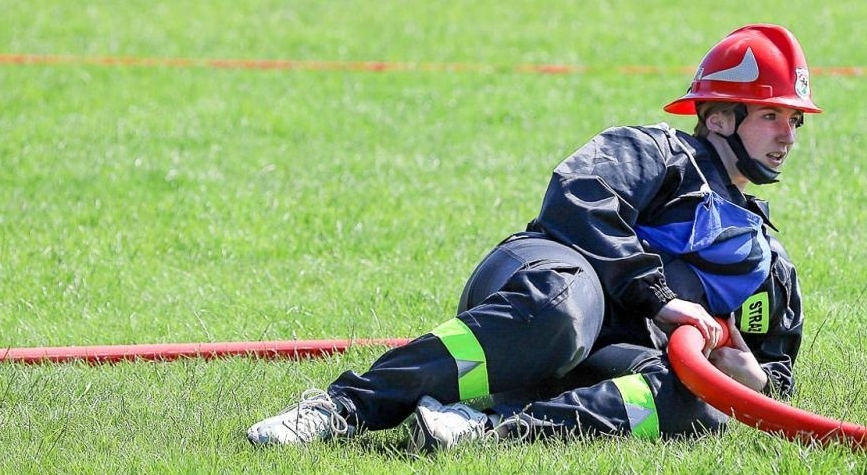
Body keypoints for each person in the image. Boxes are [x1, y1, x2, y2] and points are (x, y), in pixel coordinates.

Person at [249, 25, 820, 451]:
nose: (786, 135)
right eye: (771, 116)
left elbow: (773, 379)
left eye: (794, 121)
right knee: (562, 310)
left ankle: (490, 431)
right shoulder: (654, 152)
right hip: (544, 285)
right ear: (719, 116)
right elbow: (579, 200)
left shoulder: (767, 263)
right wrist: (661, 299)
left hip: (612, 353)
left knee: (706, 404)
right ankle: (340, 408)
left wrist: (754, 381)